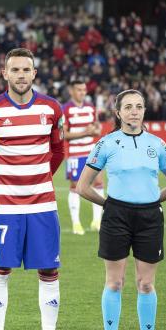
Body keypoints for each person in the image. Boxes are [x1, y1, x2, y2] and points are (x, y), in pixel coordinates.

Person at [0, 48, 72, 330]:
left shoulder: (52, 108)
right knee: (0, 271)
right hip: (5, 208)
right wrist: (1, 183)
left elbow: (57, 151)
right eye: (14, 69)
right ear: (4, 73)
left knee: (49, 270)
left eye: (26, 70)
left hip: (43, 206)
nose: (20, 75)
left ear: (34, 73)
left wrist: (38, 179)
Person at [76, 89, 166, 330]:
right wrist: (108, 205)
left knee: (146, 284)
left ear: (145, 111)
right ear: (118, 112)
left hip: (149, 218)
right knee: (115, 282)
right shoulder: (107, 144)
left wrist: (150, 200)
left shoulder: (158, 145)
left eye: (139, 107)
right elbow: (83, 186)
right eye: (128, 107)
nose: (134, 111)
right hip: (116, 217)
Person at [62, 78, 103, 235]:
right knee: (75, 187)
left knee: (99, 183)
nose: (82, 92)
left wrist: (94, 130)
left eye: (84, 90)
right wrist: (85, 132)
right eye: (79, 90)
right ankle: (76, 223)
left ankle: (97, 221)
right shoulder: (66, 109)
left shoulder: (91, 108)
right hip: (74, 154)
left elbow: (98, 129)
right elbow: (64, 134)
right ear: (72, 91)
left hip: (92, 152)